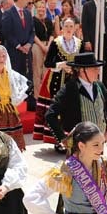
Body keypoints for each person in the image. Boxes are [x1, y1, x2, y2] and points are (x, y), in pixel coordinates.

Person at [44, 52, 107, 154]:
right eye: (94, 69)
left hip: (99, 144)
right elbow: (50, 115)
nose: (98, 72)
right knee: (82, 170)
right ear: (82, 70)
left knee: (98, 169)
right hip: (79, 147)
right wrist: (63, 139)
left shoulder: (99, 86)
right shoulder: (69, 89)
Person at [33, 16, 82, 144]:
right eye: (66, 26)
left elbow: (82, 62)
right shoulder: (56, 42)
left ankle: (72, 138)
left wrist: (75, 69)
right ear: (61, 28)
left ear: (75, 28)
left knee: (72, 109)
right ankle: (58, 140)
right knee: (58, 109)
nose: (69, 29)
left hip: (73, 80)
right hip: (57, 80)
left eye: (71, 26)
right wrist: (61, 65)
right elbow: (48, 62)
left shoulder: (79, 43)